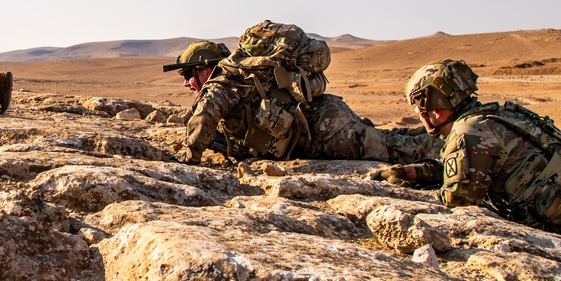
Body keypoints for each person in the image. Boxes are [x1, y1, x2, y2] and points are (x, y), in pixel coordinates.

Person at [370, 59, 561, 237]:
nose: (420, 116)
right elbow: (471, 170)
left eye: (419, 110)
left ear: (434, 110)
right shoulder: (497, 116)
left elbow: (456, 200)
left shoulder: (468, 133)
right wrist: (413, 172)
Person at [167, 30, 442, 166]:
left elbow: (204, 116)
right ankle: (435, 135)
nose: (187, 83)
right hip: (323, 113)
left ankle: (447, 147)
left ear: (205, 69)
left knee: (388, 148)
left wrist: (190, 158)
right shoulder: (239, 76)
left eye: (189, 75)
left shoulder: (223, 83)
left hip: (320, 128)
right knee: (382, 137)